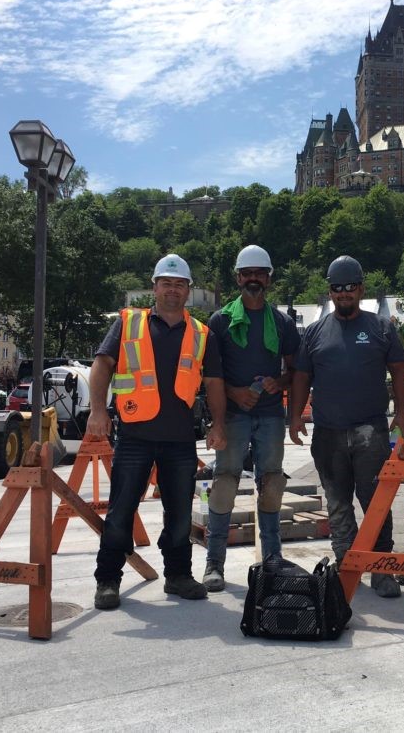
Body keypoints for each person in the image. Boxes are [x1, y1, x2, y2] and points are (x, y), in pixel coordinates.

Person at [88, 254, 226, 611]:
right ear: (154, 287)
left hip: (180, 440)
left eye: (180, 284)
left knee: (180, 513)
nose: (173, 290)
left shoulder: (200, 334)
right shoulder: (128, 324)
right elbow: (102, 366)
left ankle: (178, 576)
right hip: (134, 435)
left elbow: (213, 383)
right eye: (167, 283)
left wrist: (218, 424)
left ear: (188, 291)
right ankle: (108, 580)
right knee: (120, 512)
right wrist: (98, 411)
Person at [288, 256, 404, 598]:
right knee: (338, 503)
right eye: (337, 289)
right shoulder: (314, 333)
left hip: (370, 431)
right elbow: (302, 376)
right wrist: (295, 415)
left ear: (361, 288)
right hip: (328, 434)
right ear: (330, 292)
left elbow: (400, 370)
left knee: (376, 503)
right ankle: (349, 565)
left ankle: (382, 569)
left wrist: (403, 413)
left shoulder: (381, 327)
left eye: (350, 287)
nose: (344, 294)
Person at [202, 244, 300, 591]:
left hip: (271, 415)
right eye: (247, 274)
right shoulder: (221, 321)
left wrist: (280, 381)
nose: (253, 279)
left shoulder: (284, 323)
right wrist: (235, 393)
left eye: (260, 273)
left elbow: (294, 370)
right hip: (233, 415)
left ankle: (272, 560)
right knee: (225, 483)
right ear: (238, 278)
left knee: (272, 483)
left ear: (269, 278)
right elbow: (210, 374)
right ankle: (214, 564)